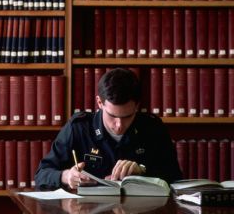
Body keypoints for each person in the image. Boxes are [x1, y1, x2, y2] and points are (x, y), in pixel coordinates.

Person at [34, 68, 182, 190]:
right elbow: (42, 174)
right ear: (99, 102)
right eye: (112, 116)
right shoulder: (79, 128)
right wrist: (66, 176)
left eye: (127, 117)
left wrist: (142, 171)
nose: (119, 125)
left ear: (137, 106)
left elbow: (175, 179)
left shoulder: (153, 129)